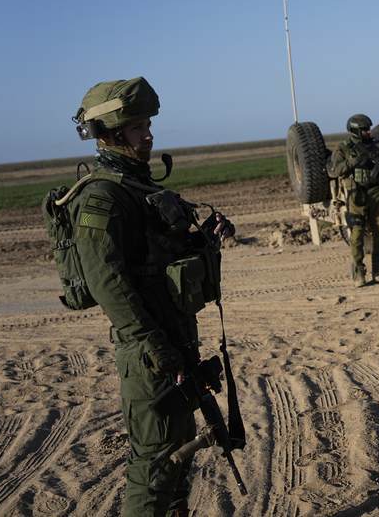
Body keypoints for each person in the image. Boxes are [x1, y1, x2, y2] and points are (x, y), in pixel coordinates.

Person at [67, 77, 234, 516]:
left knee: (179, 451)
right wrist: (154, 345)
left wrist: (204, 240)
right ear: (109, 133)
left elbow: (159, 259)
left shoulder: (138, 189)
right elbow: (108, 284)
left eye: (148, 125)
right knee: (156, 465)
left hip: (174, 340)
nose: (148, 135)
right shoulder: (102, 196)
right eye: (137, 127)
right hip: (150, 352)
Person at [327, 114, 379, 286]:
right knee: (357, 234)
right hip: (356, 195)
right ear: (356, 131)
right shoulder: (343, 148)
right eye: (365, 130)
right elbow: (335, 170)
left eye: (369, 129)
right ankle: (359, 274)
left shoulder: (373, 146)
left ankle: (377, 271)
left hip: (375, 192)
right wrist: (353, 161)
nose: (369, 132)